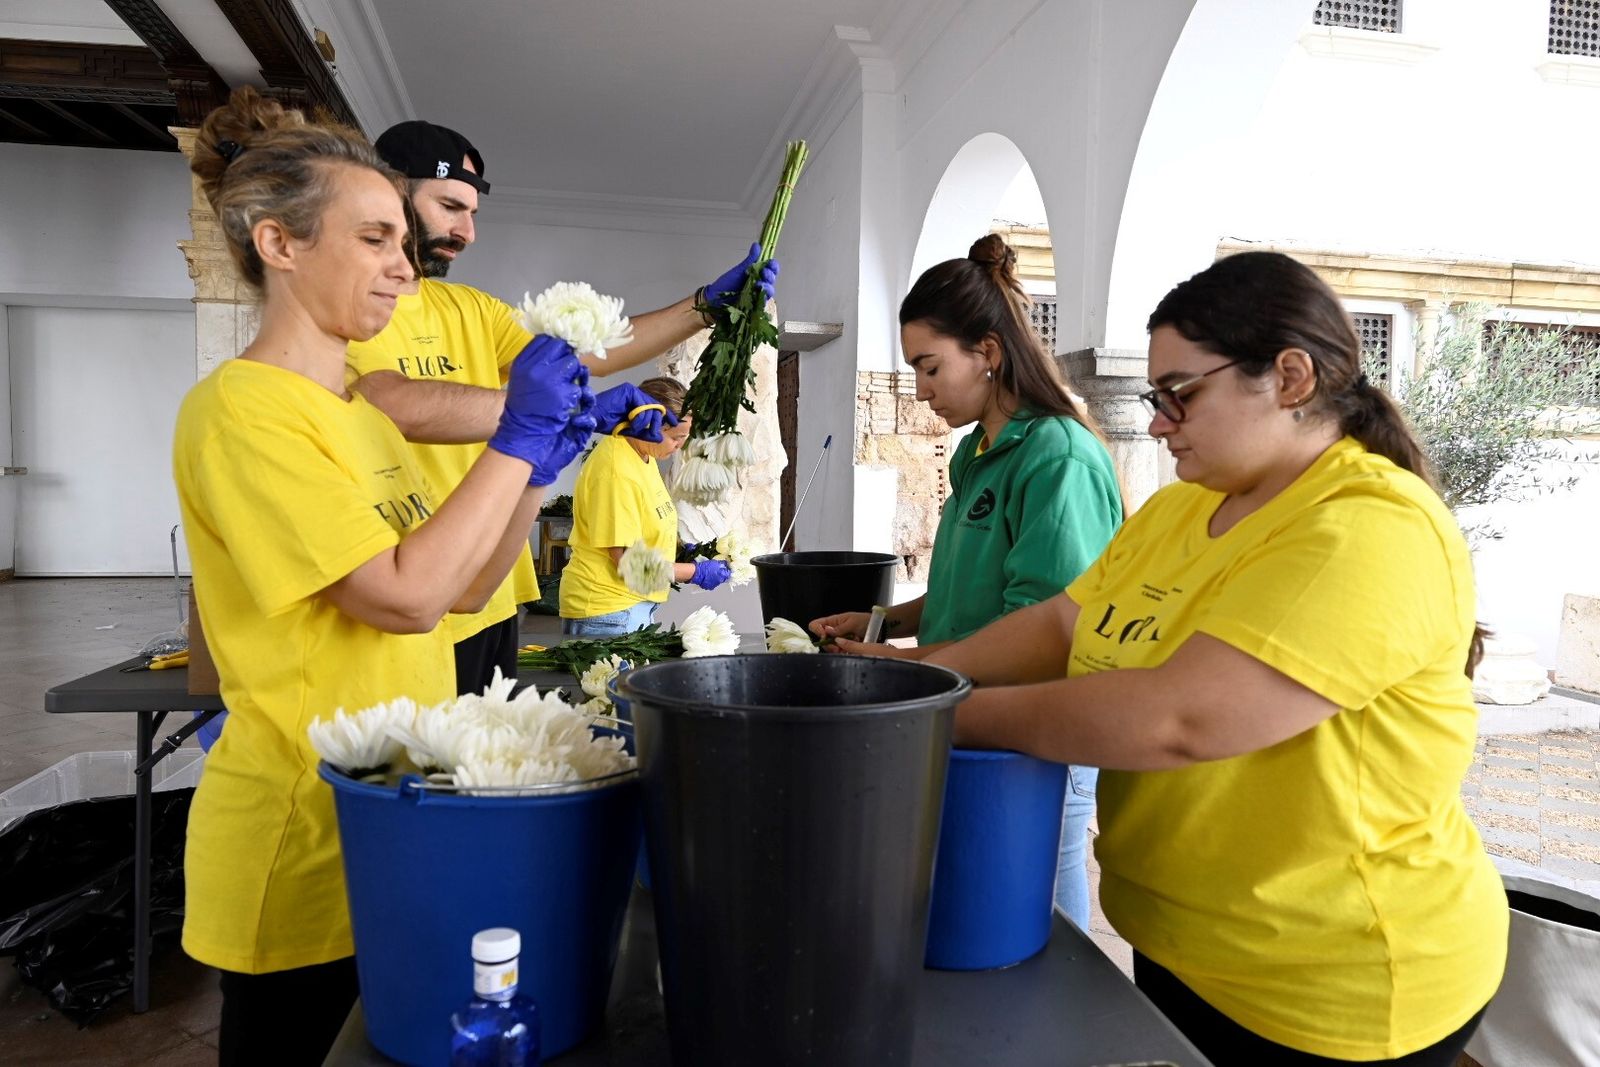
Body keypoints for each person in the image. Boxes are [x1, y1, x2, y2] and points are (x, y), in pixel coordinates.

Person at [839, 251, 1506, 1065]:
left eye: (1180, 395)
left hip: (1332, 982)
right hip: (1184, 940)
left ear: (1290, 377)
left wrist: (925, 713)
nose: (1157, 421)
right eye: (1155, 398)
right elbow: (1059, 623)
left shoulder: (1368, 526)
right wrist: (921, 674)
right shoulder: (1185, 505)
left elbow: (1179, 718)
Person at [173, 89, 595, 1064]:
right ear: (279, 244)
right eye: (374, 237)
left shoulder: (361, 414)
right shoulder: (244, 410)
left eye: (403, 239)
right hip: (304, 834)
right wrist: (518, 428)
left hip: (384, 815)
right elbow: (401, 593)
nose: (405, 265)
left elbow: (462, 587)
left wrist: (537, 464)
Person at [346, 119, 778, 693]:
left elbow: (591, 355)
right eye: (451, 206)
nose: (468, 232)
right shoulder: (617, 467)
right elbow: (386, 401)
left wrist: (702, 307)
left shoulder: (470, 308)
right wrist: (691, 572)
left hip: (489, 590)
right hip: (449, 590)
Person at [808, 234, 1122, 929]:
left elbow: (1047, 631)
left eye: (929, 367)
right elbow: (965, 591)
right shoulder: (978, 453)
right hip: (968, 710)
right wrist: (880, 623)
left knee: (1035, 899)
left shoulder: (1057, 457)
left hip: (1034, 728)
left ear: (987, 351)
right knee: (983, 899)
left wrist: (908, 669)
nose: (921, 391)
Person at [560, 376, 732, 635]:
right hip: (606, 610)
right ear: (653, 426)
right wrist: (693, 572)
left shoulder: (643, 456)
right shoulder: (616, 470)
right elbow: (630, 565)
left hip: (630, 606)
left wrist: (682, 550)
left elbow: (643, 525)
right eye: (677, 437)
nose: (680, 445)